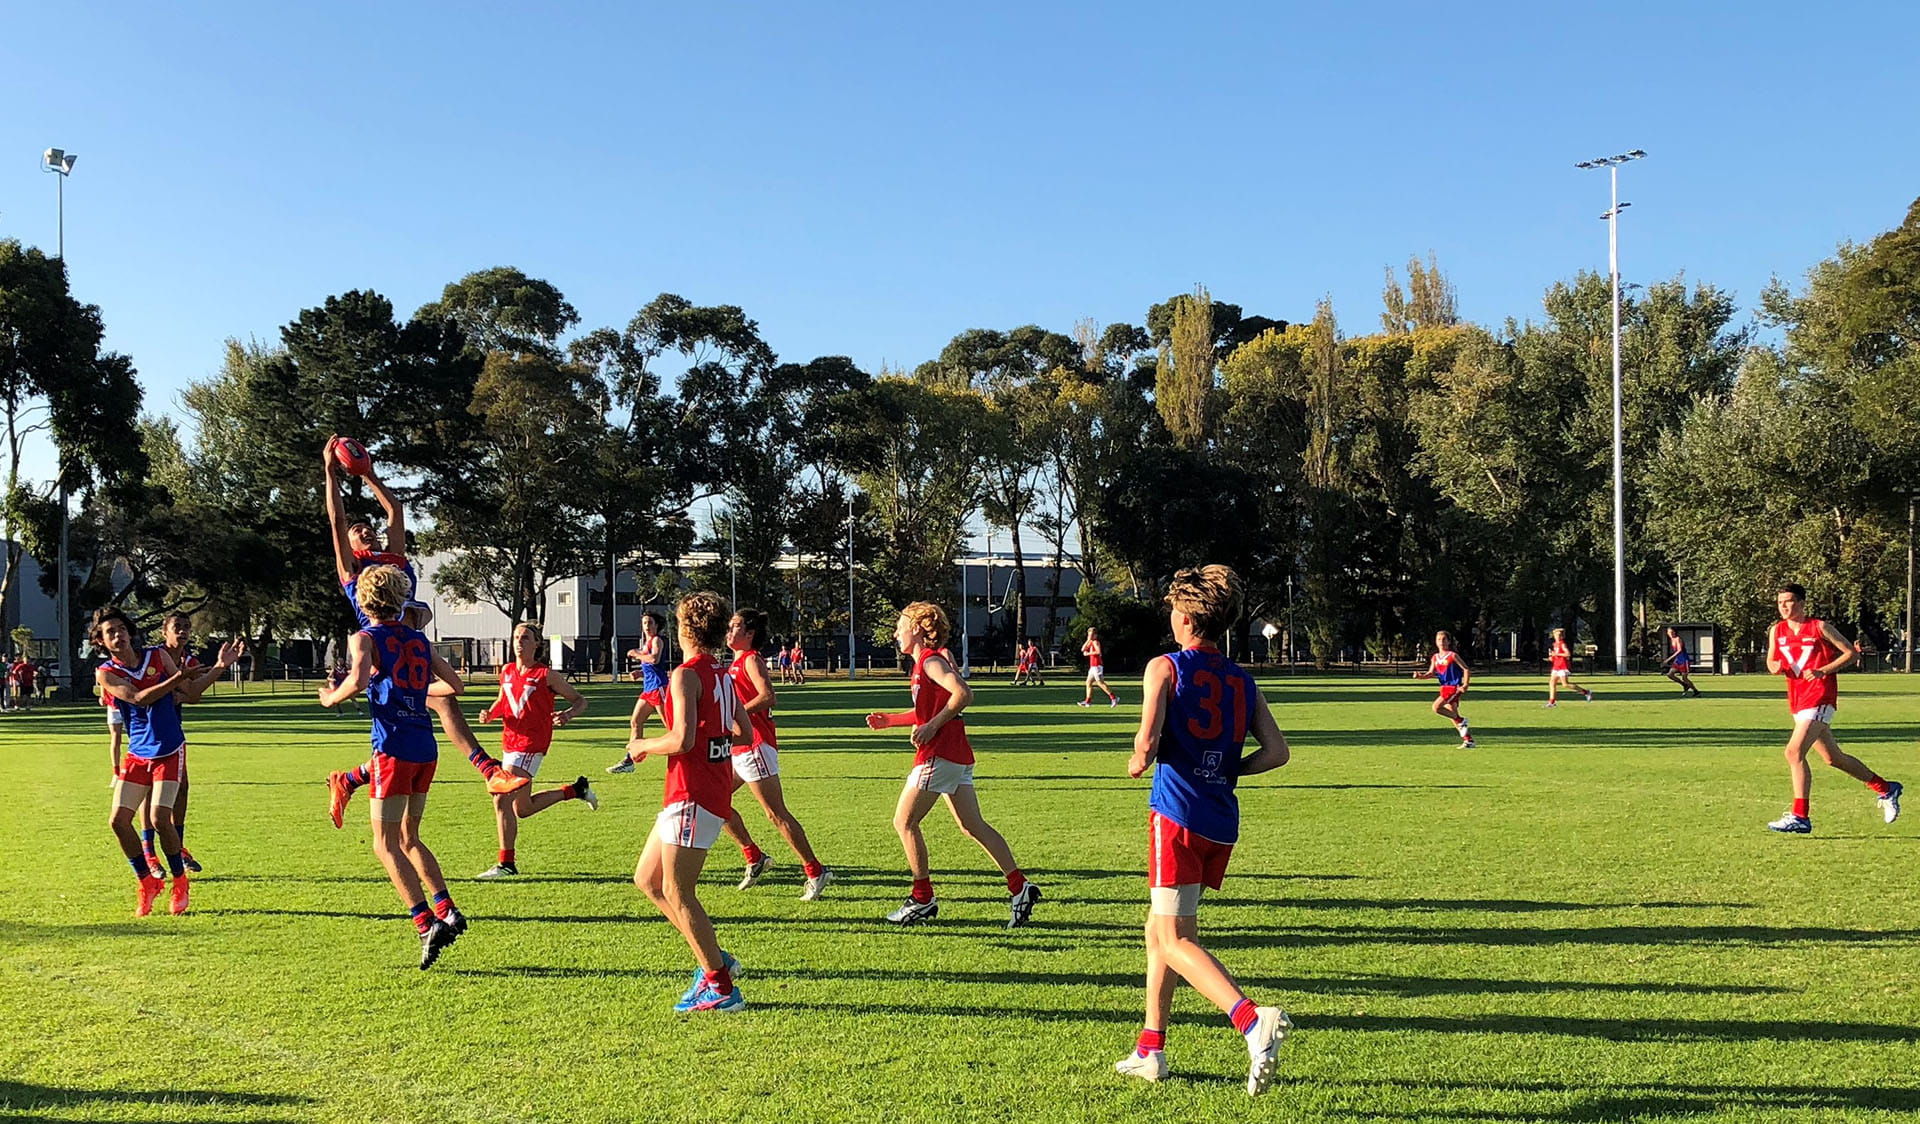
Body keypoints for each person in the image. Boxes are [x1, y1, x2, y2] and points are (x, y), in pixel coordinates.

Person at [1115, 565, 1293, 1095]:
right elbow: (1277, 752)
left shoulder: (1164, 667)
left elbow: (1146, 745)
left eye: (1173, 608)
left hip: (1175, 815)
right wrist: (1224, 767)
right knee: (1160, 932)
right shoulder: (1242, 677)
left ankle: (1249, 1019)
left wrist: (1134, 762)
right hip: (1219, 817)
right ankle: (1151, 1048)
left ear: (1187, 618)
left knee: (1172, 939)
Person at [322, 439, 526, 826]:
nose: (364, 531)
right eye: (357, 530)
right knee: (442, 707)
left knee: (414, 730)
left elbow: (395, 510)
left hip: (407, 645)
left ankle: (348, 780)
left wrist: (369, 475)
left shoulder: (394, 558)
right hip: (384, 649)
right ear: (349, 545)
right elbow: (336, 520)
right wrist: (330, 473)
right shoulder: (352, 571)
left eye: (368, 528)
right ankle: (490, 772)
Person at [319, 565, 470, 968]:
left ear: (364, 601)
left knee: (383, 843)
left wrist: (330, 698)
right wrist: (417, 694)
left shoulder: (364, 637)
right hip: (425, 747)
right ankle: (448, 908)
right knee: (409, 837)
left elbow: (358, 679)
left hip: (392, 749)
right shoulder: (420, 640)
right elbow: (455, 686)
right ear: (401, 597)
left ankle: (426, 923)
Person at [865, 601, 1040, 928]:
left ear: (916, 629)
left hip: (940, 753)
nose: (895, 633)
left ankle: (922, 898)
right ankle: (1020, 887)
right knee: (972, 825)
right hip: (955, 755)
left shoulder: (930, 661)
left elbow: (962, 694)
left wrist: (933, 726)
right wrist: (892, 720)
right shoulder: (921, 666)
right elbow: (927, 711)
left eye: (900, 626)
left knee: (904, 822)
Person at [618, 592, 752, 1013]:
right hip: (702, 789)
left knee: (678, 889)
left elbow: (682, 740)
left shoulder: (686, 674)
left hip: (691, 792)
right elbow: (744, 734)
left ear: (686, 629)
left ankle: (721, 986)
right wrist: (715, 741)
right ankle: (714, 958)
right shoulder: (722, 674)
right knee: (648, 881)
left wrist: (642, 745)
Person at [96, 607, 243, 917]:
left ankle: (179, 882)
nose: (118, 635)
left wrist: (218, 667)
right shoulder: (106, 672)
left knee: (162, 817)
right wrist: (176, 677)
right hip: (138, 753)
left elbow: (190, 694)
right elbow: (138, 698)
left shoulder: (156, 656)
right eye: (110, 633)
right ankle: (147, 882)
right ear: (102, 642)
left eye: (121, 628)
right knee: (118, 821)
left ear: (130, 632)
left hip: (169, 749)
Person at [1764, 583, 1901, 834]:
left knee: (1793, 753)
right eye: (1780, 601)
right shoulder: (1777, 630)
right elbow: (1772, 659)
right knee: (1833, 759)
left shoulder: (1819, 627)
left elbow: (1850, 654)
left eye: (1789, 601)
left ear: (1802, 603)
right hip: (1798, 700)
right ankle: (1886, 788)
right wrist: (1774, 666)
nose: (1783, 606)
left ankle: (1800, 816)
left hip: (1820, 697)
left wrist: (1822, 671)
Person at [716, 608, 834, 899]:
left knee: (775, 814)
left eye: (735, 627)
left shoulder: (751, 660)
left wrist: (736, 714)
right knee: (715, 803)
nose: (729, 632)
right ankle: (755, 857)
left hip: (755, 746)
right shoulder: (735, 663)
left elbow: (768, 696)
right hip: (739, 747)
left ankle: (816, 871)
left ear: (749, 634)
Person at [472, 622, 596, 879]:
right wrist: (490, 714)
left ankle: (506, 864)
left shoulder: (546, 675)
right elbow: (502, 701)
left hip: (530, 745)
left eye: (525, 637)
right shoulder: (506, 671)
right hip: (509, 743)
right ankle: (576, 790)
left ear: (537, 643)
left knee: (500, 798)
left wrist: (568, 714)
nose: (519, 642)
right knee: (522, 809)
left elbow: (580, 700)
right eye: (516, 637)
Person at [141, 613, 228, 875]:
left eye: (187, 627)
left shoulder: (189, 661)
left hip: (172, 732)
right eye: (177, 627)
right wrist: (175, 692)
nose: (183, 631)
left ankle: (177, 846)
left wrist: (218, 667)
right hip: (146, 732)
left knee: (182, 788)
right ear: (164, 631)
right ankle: (149, 853)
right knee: (149, 791)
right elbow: (149, 690)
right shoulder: (152, 658)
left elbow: (193, 695)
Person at [608, 611, 668, 774]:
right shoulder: (645, 643)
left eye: (650, 623)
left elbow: (655, 659)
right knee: (635, 722)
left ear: (656, 625)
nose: (647, 626)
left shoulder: (656, 640)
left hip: (659, 687)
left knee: (671, 727)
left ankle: (686, 757)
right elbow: (652, 667)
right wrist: (639, 673)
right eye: (644, 623)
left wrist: (636, 654)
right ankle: (630, 760)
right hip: (648, 689)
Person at [1413, 631, 1474, 747]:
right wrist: (1420, 677)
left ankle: (1462, 720)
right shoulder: (1435, 657)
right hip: (1444, 687)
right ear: (1436, 642)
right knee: (1452, 715)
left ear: (1449, 642)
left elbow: (1466, 669)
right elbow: (1431, 673)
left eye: (1444, 639)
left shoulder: (1452, 656)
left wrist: (1465, 685)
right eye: (1439, 640)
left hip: (1453, 687)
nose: (1441, 642)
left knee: (1436, 707)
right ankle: (1468, 740)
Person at [1543, 628, 1594, 708]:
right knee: (1552, 683)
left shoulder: (1562, 644)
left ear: (1562, 636)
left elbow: (1567, 654)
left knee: (1565, 684)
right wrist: (1551, 657)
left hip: (1562, 666)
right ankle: (1552, 702)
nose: (1557, 636)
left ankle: (1586, 692)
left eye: (1559, 635)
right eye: (1556, 635)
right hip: (1556, 666)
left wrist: (1557, 654)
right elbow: (1554, 656)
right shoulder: (1555, 644)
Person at [1080, 627, 1118, 707]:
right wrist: (1087, 640)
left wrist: (1088, 653)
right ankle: (1088, 701)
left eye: (1091, 635)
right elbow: (1083, 649)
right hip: (1092, 666)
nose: (1090, 636)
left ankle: (1114, 698)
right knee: (1088, 682)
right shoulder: (1091, 642)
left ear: (1095, 635)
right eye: (1089, 635)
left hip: (1097, 665)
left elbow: (1098, 652)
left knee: (1100, 683)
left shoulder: (1096, 642)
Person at [1661, 626, 1702, 697]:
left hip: (1684, 660)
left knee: (1684, 678)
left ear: (1674, 632)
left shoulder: (1678, 639)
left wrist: (1668, 659)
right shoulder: (1672, 640)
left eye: (1671, 632)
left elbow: (1679, 650)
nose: (1670, 634)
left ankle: (1696, 691)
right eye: (1668, 632)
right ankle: (1684, 685)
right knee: (1670, 674)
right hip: (1678, 661)